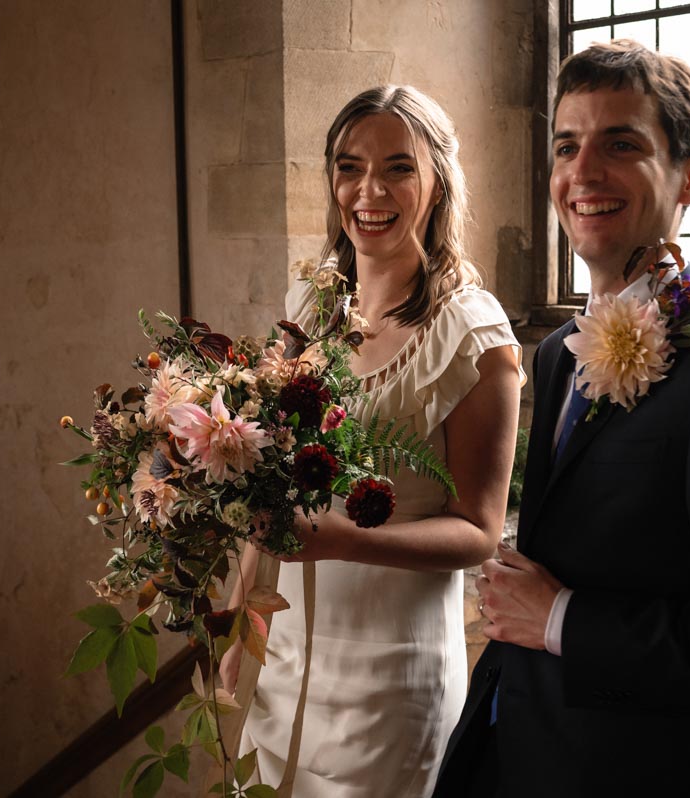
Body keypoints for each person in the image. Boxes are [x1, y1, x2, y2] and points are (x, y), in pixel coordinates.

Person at [433, 40, 690, 798]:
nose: (583, 172)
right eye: (567, 146)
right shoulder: (557, 354)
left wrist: (562, 619)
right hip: (521, 747)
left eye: (620, 145)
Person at [219, 85, 523, 798]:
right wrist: (238, 621)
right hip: (282, 655)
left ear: (439, 181)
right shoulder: (310, 307)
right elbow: (269, 489)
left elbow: (479, 531)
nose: (369, 191)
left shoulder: (472, 335)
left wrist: (340, 539)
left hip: (390, 684)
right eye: (350, 167)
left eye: (398, 168)